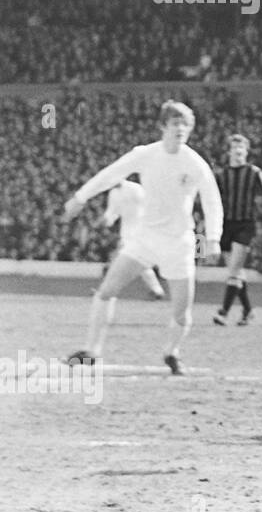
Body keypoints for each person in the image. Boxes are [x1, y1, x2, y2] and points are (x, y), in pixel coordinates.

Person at [63, 101, 223, 375]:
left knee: (182, 312)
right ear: (163, 126)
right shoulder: (145, 154)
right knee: (106, 291)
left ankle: (172, 353)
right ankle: (91, 352)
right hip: (145, 238)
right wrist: (80, 197)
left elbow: (211, 199)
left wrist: (213, 237)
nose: (181, 129)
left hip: (180, 243)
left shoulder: (195, 163)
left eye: (185, 125)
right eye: (175, 124)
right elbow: (110, 174)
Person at [212, 134, 262, 326]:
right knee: (235, 273)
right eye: (234, 149)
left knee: (234, 271)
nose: (238, 152)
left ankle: (223, 312)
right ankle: (248, 310)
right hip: (226, 226)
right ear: (229, 151)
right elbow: (213, 202)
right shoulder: (221, 175)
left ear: (246, 151)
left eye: (241, 149)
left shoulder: (254, 173)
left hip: (245, 226)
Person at [103, 178, 168, 303]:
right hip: (126, 233)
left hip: (140, 231)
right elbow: (112, 212)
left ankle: (107, 290)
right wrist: (107, 220)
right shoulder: (113, 193)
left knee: (120, 260)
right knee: (140, 262)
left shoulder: (135, 189)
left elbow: (149, 205)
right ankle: (157, 290)